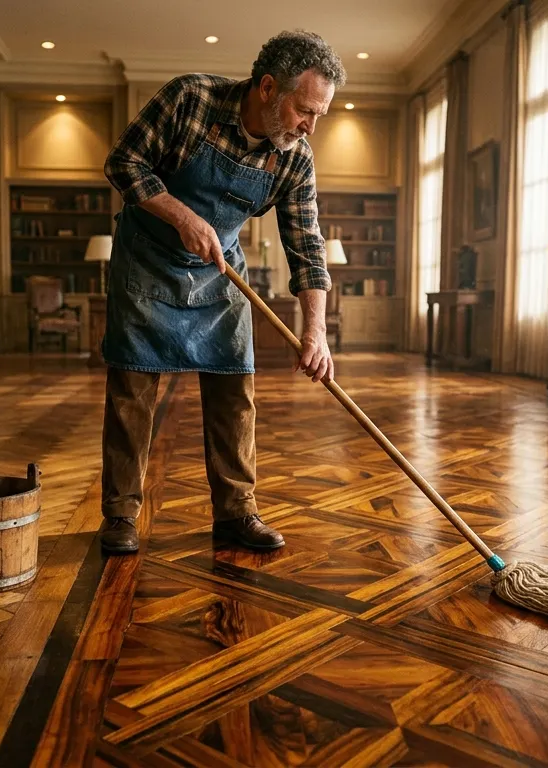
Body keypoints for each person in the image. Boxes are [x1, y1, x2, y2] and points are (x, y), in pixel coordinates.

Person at [97, 31, 345, 555]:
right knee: (132, 390)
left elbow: (306, 245)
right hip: (147, 261)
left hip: (219, 272)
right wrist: (182, 216)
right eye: (305, 110)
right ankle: (120, 514)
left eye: (318, 115)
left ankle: (236, 512)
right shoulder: (191, 99)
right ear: (267, 88)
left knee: (235, 388)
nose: (310, 127)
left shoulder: (294, 158)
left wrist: (316, 331)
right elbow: (123, 163)